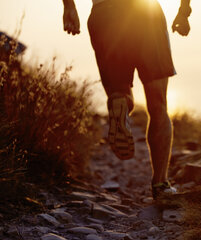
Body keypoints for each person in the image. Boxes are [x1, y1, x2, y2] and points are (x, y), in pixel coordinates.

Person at [62, 0, 191, 199]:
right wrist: (184, 11)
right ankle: (160, 184)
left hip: (105, 15)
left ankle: (121, 102)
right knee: (158, 104)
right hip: (145, 14)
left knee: (118, 92)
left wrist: (69, 7)